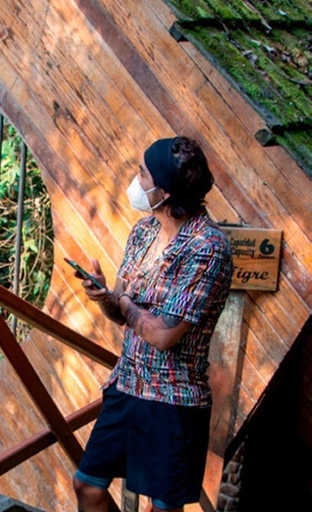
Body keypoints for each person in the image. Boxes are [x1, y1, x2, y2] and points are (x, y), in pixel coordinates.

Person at [71, 137, 233, 512]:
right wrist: (105, 297)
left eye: (142, 173)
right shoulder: (143, 232)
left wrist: (122, 301)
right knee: (87, 486)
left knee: (162, 508)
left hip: (173, 402)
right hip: (127, 384)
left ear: (163, 190)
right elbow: (124, 314)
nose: (136, 179)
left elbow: (162, 334)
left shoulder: (207, 248)